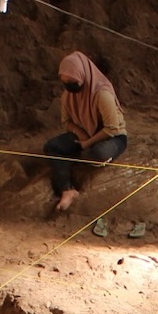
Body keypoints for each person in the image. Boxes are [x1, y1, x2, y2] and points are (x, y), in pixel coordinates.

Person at [44, 52, 128, 214]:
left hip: (113, 136)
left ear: (82, 76)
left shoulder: (101, 94)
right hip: (85, 132)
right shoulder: (67, 96)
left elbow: (112, 128)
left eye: (72, 81)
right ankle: (67, 190)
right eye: (65, 81)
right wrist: (80, 133)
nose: (68, 85)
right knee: (52, 147)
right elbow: (66, 122)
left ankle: (90, 155)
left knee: (97, 153)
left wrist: (87, 143)